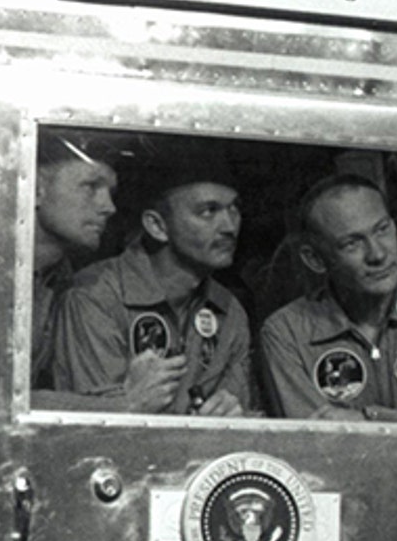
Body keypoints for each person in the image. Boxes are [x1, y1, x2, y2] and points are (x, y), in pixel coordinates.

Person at [51, 153, 252, 416]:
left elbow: (239, 408)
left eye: (234, 209)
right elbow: (91, 428)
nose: (229, 227)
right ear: (157, 226)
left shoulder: (229, 310)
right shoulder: (95, 296)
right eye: (208, 211)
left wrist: (231, 411)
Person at [259, 173, 397, 422]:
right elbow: (316, 446)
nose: (377, 254)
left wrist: (366, 418)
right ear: (315, 259)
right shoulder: (288, 333)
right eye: (352, 243)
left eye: (382, 229)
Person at [30, 133, 118, 396]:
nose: (109, 207)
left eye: (110, 192)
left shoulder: (66, 280)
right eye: (91, 186)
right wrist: (120, 405)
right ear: (35, 190)